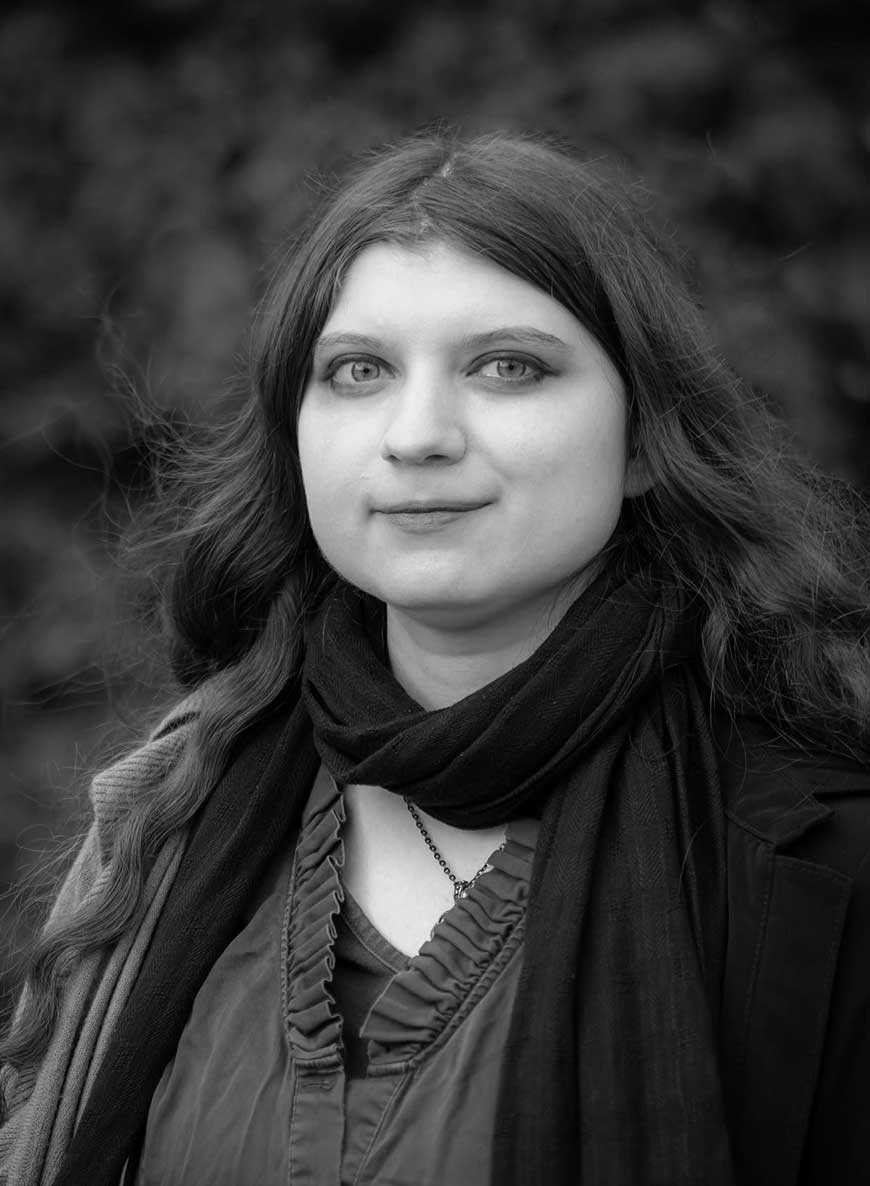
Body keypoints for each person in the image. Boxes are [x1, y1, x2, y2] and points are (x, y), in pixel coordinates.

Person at [1, 128, 869, 1186]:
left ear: (644, 438)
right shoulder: (167, 814)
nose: (417, 434)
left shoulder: (827, 862)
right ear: (298, 432)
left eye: (507, 367)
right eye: (358, 371)